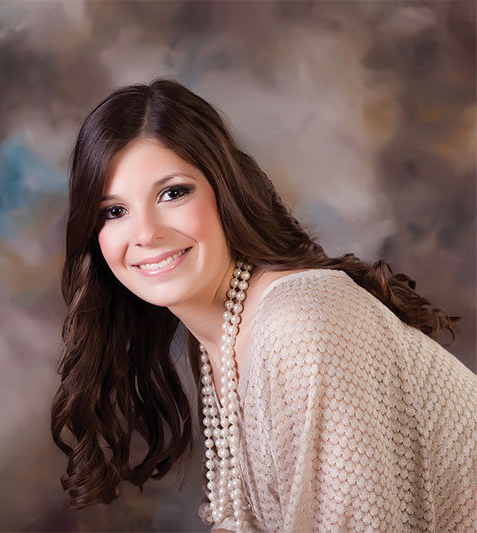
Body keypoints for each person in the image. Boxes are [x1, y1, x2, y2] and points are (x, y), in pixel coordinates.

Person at [50, 78, 477, 532]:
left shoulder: (299, 325)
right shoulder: (223, 336)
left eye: (172, 193)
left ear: (224, 189)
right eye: (114, 211)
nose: (145, 233)